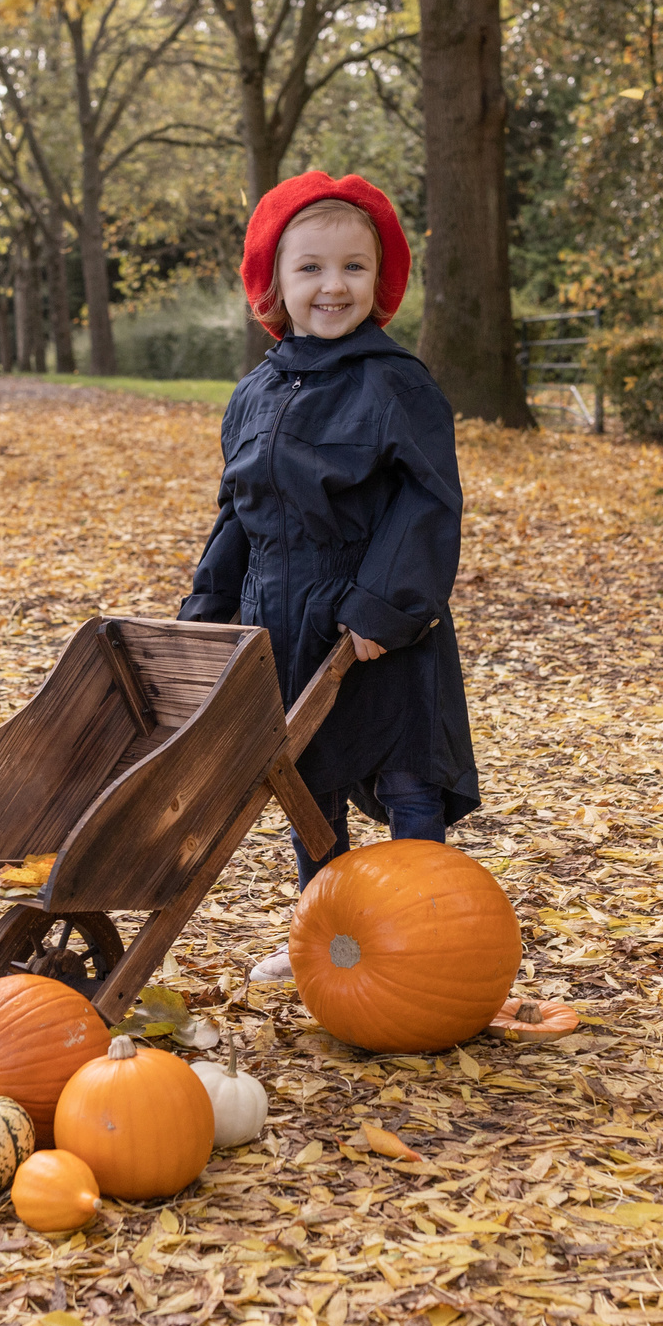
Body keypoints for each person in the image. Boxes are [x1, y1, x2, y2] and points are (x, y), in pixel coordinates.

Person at [178, 172, 478, 983]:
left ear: (377, 280)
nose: (331, 285)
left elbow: (426, 502)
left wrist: (384, 606)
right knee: (308, 786)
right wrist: (206, 615)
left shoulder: (396, 384)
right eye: (309, 268)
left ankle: (425, 943)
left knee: (406, 777)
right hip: (281, 621)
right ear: (273, 281)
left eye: (351, 267)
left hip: (374, 626)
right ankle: (327, 936)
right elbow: (238, 512)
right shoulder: (255, 394)